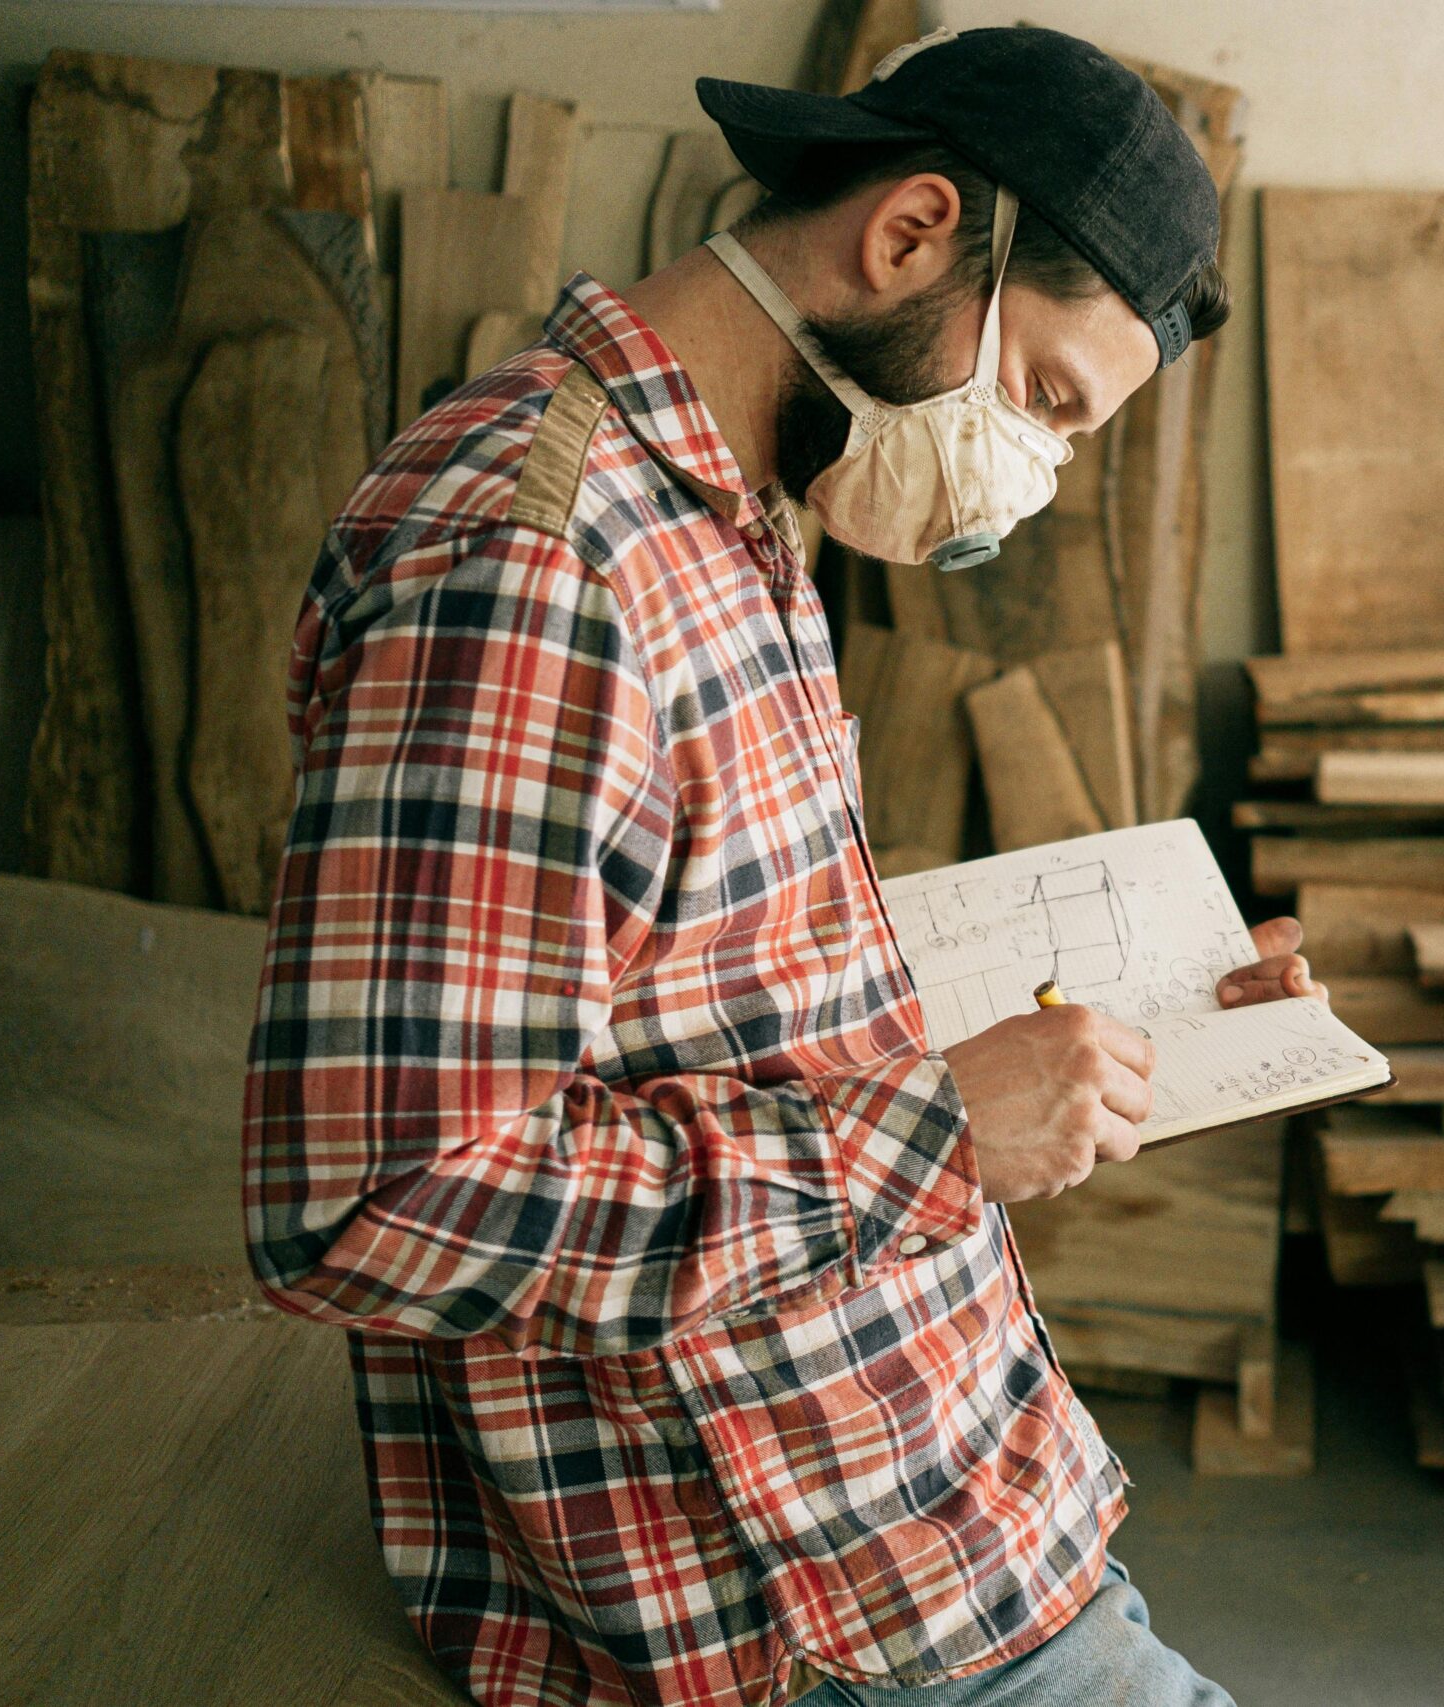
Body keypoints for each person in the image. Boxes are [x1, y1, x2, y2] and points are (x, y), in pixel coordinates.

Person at [241, 27, 1319, 1706]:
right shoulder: (534, 565)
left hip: (942, 1500)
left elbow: (695, 979)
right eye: (1041, 397)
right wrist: (939, 1128)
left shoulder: (733, 509)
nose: (1027, 473)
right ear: (909, 236)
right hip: (809, 1609)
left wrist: (1150, 996)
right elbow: (373, 1201)